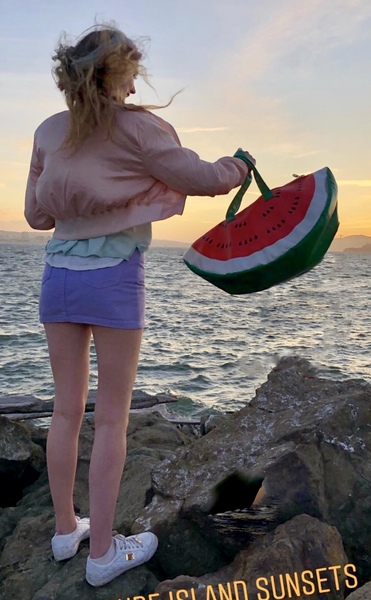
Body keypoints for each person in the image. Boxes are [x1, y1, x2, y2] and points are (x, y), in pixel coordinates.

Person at [24, 24, 255, 587]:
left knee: (64, 411)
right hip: (112, 277)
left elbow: (36, 217)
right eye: (129, 76)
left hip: (57, 277)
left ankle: (64, 532)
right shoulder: (140, 129)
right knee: (111, 420)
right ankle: (103, 551)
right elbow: (200, 178)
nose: (132, 88)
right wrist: (237, 167)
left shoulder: (48, 131)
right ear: (119, 73)